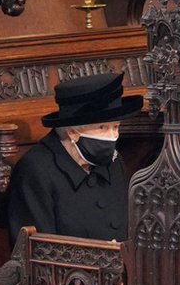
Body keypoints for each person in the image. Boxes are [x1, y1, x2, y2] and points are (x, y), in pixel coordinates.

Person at [8, 72, 142, 244]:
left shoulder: (115, 162)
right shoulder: (36, 170)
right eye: (102, 127)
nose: (112, 136)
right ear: (72, 131)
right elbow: (36, 252)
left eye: (115, 127)